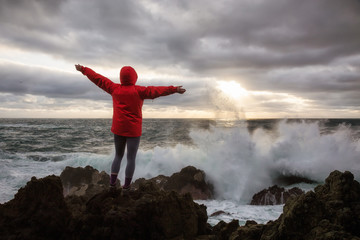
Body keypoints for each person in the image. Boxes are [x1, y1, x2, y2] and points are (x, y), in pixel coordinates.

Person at [75, 64, 186, 189]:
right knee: (131, 159)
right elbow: (157, 91)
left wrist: (84, 70)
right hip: (133, 131)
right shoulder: (139, 91)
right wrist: (174, 89)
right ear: (134, 77)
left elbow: (97, 78)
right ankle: (126, 187)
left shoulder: (114, 88)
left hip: (118, 129)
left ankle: (112, 184)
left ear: (121, 77)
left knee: (118, 156)